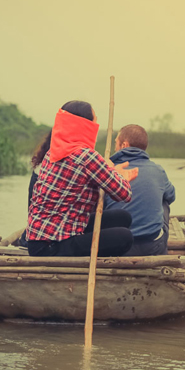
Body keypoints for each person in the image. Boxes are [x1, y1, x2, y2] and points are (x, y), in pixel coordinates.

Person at [25, 100, 139, 257]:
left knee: (122, 217)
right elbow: (124, 194)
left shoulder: (53, 152)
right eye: (94, 121)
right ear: (85, 125)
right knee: (125, 237)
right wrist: (117, 173)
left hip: (39, 239)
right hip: (51, 245)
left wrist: (110, 173)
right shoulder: (86, 156)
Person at [104, 124, 175, 256]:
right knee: (164, 199)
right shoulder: (157, 170)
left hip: (116, 245)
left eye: (116, 143)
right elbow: (171, 196)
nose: (114, 148)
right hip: (153, 247)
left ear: (124, 145)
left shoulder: (108, 171)